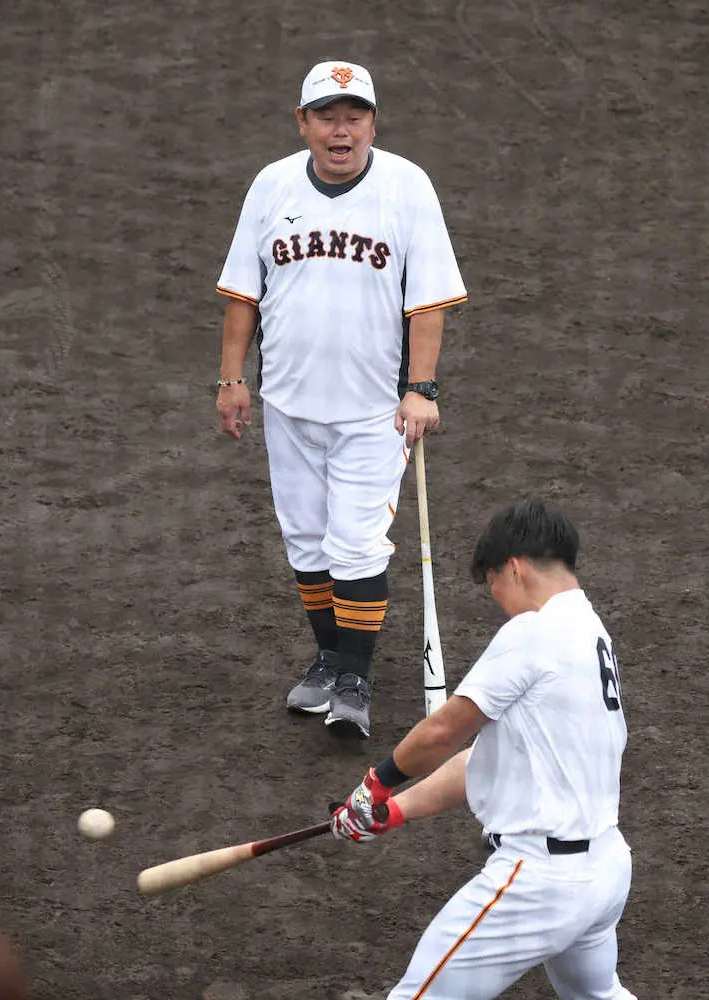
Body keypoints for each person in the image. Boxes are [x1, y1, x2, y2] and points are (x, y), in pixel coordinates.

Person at [215, 60, 467, 739]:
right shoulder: (271, 186)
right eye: (326, 116)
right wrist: (232, 378)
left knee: (354, 546)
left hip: (371, 413)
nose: (340, 130)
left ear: (373, 123)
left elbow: (428, 300)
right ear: (302, 123)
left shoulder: (405, 187)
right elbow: (244, 290)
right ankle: (327, 660)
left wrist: (421, 389)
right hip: (287, 405)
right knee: (305, 542)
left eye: (354, 116)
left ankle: (354, 682)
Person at [331, 497, 638, 1000]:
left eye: (492, 585)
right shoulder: (590, 632)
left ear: (513, 568)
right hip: (605, 871)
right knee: (598, 994)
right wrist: (395, 810)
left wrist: (375, 785)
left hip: (541, 882)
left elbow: (442, 732)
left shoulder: (534, 631)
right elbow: (484, 759)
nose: (497, 600)